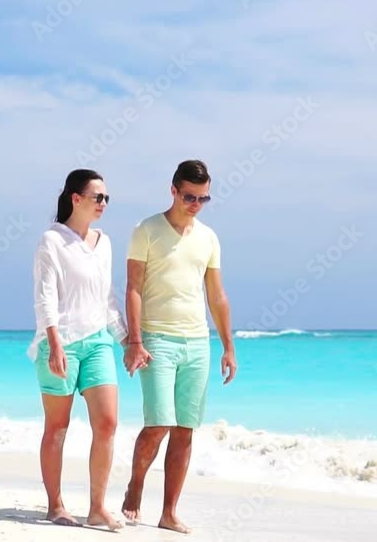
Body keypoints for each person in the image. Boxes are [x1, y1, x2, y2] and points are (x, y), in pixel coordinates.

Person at [121, 159, 237, 534]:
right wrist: (134, 341)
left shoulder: (209, 238)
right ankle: (136, 484)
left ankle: (169, 512)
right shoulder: (146, 230)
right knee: (158, 424)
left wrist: (228, 347)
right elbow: (133, 288)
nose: (196, 204)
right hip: (156, 339)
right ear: (173, 190)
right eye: (190, 197)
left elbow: (217, 296)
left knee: (185, 429)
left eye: (204, 198)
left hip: (198, 343)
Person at [27, 168, 128, 530]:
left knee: (108, 422)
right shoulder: (52, 241)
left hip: (98, 342)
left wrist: (127, 341)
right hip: (61, 343)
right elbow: (45, 297)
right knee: (57, 427)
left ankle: (98, 508)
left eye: (106, 198)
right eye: (97, 197)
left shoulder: (105, 243)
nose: (103, 203)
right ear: (76, 198)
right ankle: (55, 506)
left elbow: (107, 299)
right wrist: (54, 343)